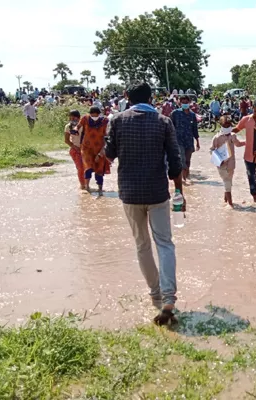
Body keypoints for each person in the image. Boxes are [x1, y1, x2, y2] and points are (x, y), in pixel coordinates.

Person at [105, 81, 184, 326]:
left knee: (142, 246)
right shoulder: (163, 122)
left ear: (127, 96)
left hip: (129, 193)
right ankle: (169, 298)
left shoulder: (117, 120)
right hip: (157, 192)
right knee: (165, 244)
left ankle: (156, 295)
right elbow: (175, 159)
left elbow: (109, 154)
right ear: (151, 98)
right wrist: (179, 191)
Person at [211, 116, 245, 207]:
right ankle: (230, 205)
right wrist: (218, 160)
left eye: (229, 125)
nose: (228, 128)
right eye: (225, 126)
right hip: (221, 165)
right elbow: (212, 150)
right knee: (227, 182)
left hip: (231, 164)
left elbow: (238, 144)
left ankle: (225, 201)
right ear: (221, 125)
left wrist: (246, 142)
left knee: (229, 183)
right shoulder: (216, 138)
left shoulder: (232, 136)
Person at [77, 107, 110, 195]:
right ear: (90, 114)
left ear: (99, 115)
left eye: (96, 115)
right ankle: (87, 187)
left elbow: (106, 136)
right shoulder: (85, 119)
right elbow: (78, 127)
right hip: (87, 148)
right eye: (92, 115)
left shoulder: (105, 121)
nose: (94, 116)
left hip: (100, 148)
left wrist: (101, 152)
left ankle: (100, 189)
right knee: (88, 167)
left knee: (99, 169)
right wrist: (75, 130)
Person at [170, 95, 200, 182]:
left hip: (189, 141)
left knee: (187, 160)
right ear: (180, 103)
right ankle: (182, 179)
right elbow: (170, 127)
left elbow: (195, 129)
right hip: (178, 141)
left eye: (186, 102)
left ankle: (186, 176)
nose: (185, 104)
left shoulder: (192, 115)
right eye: (183, 102)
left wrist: (197, 141)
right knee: (182, 160)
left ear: (189, 102)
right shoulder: (175, 113)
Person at [64, 110, 86, 191]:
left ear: (79, 117)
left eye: (74, 117)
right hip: (75, 150)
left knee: (87, 168)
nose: (72, 119)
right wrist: (74, 147)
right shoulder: (68, 126)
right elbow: (66, 140)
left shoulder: (84, 125)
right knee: (80, 168)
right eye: (71, 117)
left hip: (85, 150)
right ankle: (83, 186)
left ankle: (86, 186)